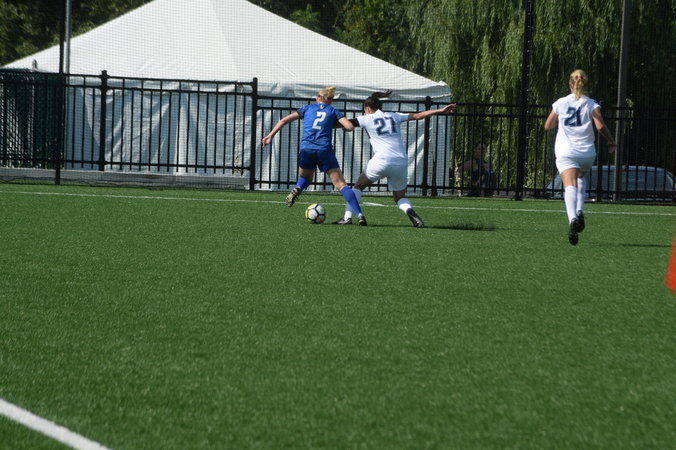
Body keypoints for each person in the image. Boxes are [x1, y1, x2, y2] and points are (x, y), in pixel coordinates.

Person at [335, 90, 457, 227]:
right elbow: (418, 115)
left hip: (381, 160)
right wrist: (440, 110)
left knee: (358, 186)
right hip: (400, 161)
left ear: (367, 109)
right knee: (399, 196)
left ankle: (347, 217)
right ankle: (411, 213)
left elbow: (341, 124)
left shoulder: (366, 118)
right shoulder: (394, 115)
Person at [261, 86, 367, 226]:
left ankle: (298, 188)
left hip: (307, 149)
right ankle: (359, 215)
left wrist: (269, 136)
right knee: (341, 185)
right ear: (329, 100)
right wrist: (331, 125)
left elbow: (284, 120)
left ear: (318, 98)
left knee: (305, 178)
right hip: (324, 150)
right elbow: (349, 127)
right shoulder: (333, 111)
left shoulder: (307, 108)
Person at [544, 69, 617, 245]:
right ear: (586, 84)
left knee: (570, 184)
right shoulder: (591, 104)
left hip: (566, 151)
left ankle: (572, 220)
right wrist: (611, 141)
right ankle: (580, 211)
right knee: (579, 178)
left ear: (570, 84)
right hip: (586, 153)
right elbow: (600, 126)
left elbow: (548, 125)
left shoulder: (561, 103)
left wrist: (562, 120)